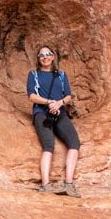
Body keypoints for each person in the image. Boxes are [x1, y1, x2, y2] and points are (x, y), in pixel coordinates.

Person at [26, 46, 81, 196]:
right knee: (49, 145)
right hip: (42, 113)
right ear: (38, 58)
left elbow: (68, 95)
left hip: (60, 112)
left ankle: (69, 184)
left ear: (53, 57)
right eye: (41, 55)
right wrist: (49, 102)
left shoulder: (61, 75)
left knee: (74, 143)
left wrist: (59, 104)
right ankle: (46, 185)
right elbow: (31, 96)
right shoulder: (33, 75)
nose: (45, 57)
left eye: (48, 54)